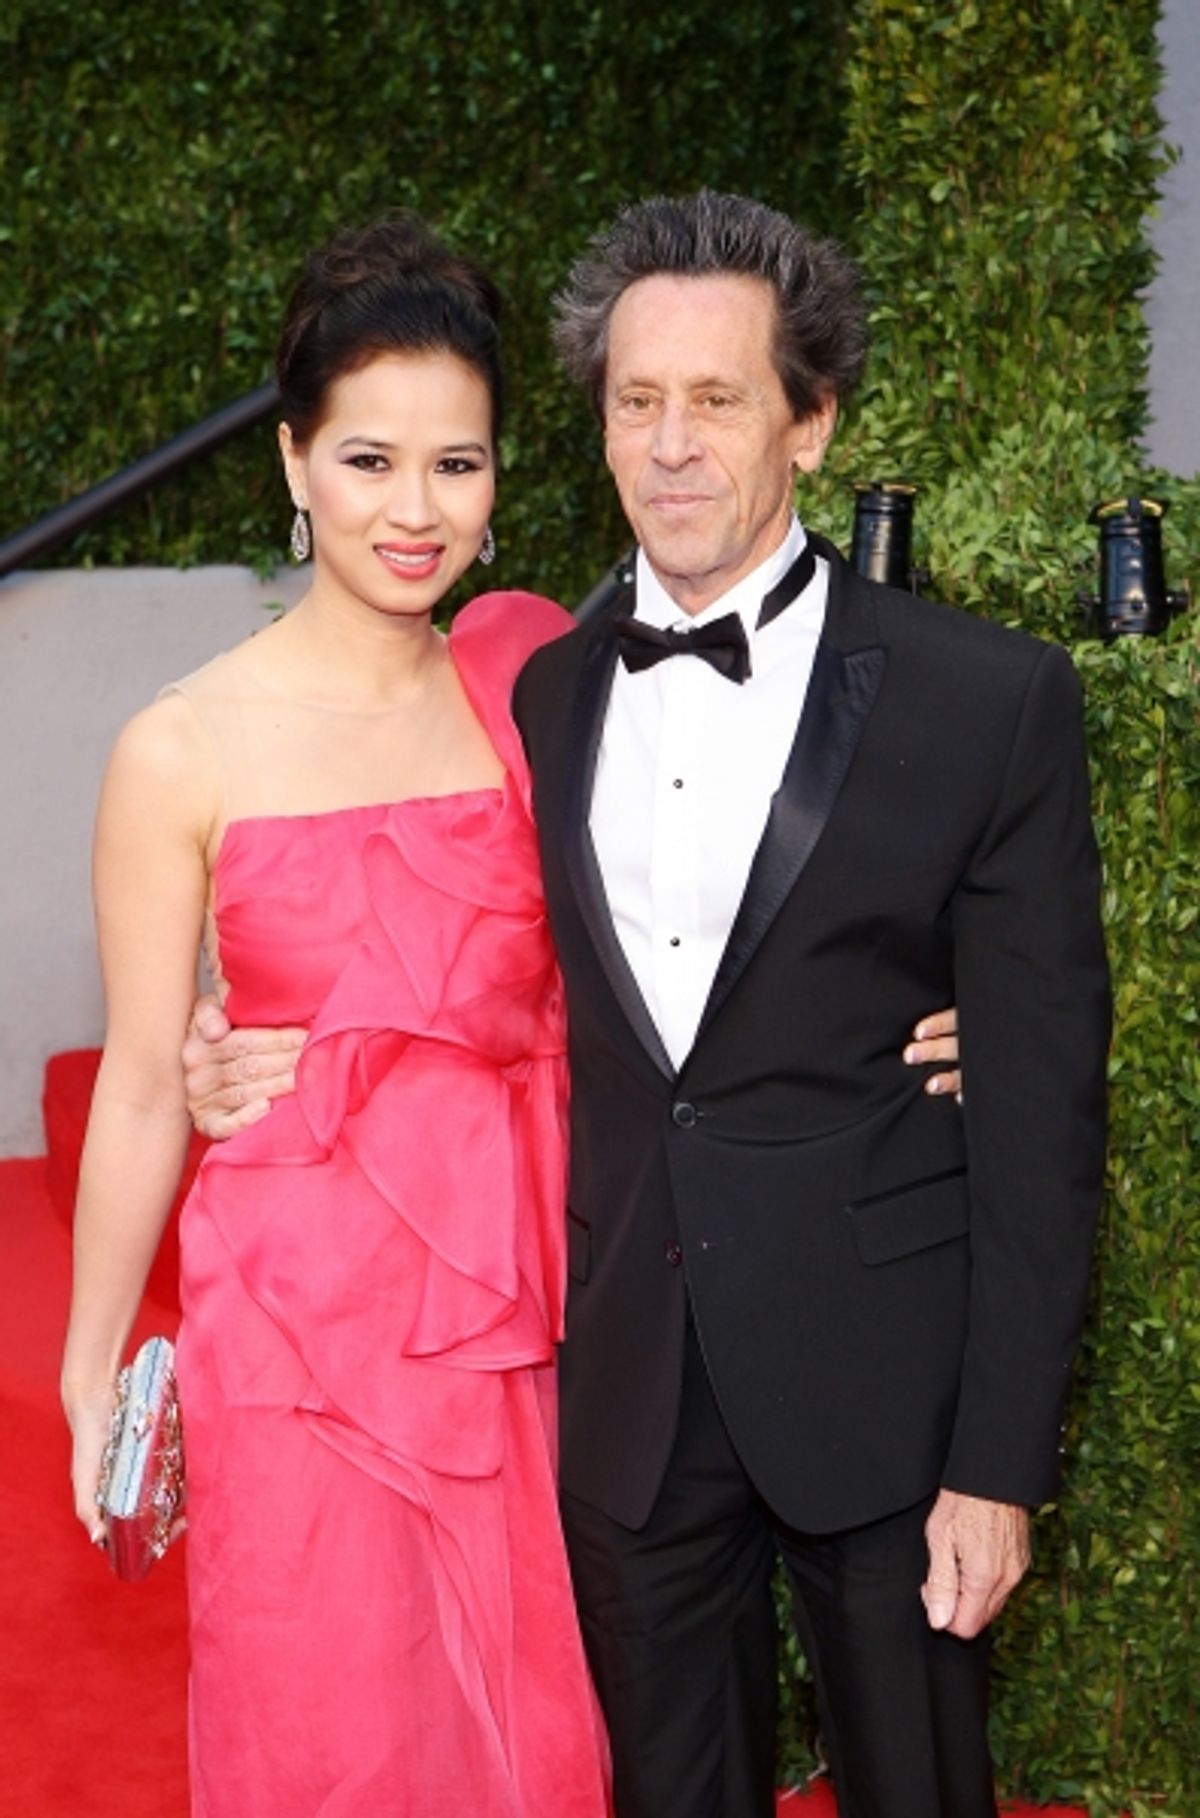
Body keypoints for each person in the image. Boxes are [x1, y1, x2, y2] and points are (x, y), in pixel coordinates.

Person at [177, 197, 987, 1817]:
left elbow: (899, 899)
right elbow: (430, 931)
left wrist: (979, 1013)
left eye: (718, 401)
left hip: (845, 1344)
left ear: (809, 423)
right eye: (636, 403)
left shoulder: (559, 666)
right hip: (604, 1331)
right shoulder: (541, 683)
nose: (672, 443)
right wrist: (232, 1025)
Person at [60, 215, 612, 1818]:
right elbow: (154, 1086)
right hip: (291, 1325)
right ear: (294, 459)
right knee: (326, 1726)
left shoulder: (534, 684)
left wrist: (909, 1015)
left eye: (460, 463)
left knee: (517, 1725)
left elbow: (662, 950)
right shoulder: (181, 747)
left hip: (511, 1302)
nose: (415, 509)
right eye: (370, 460)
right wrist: (95, 1358)